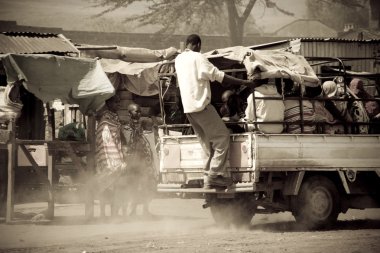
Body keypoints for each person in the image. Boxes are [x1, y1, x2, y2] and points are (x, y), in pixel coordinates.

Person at [174, 34, 260, 189]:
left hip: (189, 110)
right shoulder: (198, 58)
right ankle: (214, 175)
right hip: (201, 106)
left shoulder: (179, 60)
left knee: (207, 145)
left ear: (187, 44)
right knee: (222, 137)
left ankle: (208, 178)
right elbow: (219, 76)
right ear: (198, 45)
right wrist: (245, 82)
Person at [89, 94, 127, 218]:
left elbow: (119, 135)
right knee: (105, 186)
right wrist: (113, 158)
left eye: (119, 101)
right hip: (106, 158)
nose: (119, 104)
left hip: (116, 156)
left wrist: (123, 151)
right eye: (116, 102)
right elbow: (105, 139)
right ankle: (102, 214)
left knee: (115, 186)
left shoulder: (114, 117)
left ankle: (114, 213)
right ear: (109, 103)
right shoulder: (105, 119)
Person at [123, 103, 157, 217]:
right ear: (129, 113)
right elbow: (125, 145)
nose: (138, 113)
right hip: (132, 162)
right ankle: (132, 211)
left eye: (139, 111)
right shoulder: (126, 128)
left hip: (144, 161)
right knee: (133, 186)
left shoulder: (143, 125)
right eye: (136, 111)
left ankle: (145, 210)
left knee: (146, 185)